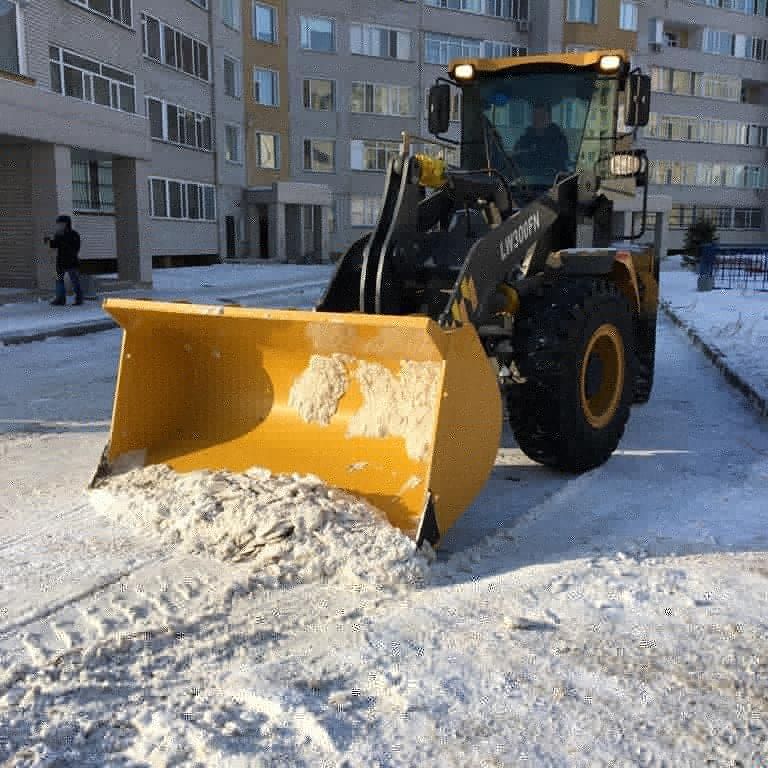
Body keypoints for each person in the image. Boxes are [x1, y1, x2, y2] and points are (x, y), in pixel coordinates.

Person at [513, 101, 571, 180]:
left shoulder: (559, 140)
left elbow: (561, 165)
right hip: (525, 185)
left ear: (549, 118)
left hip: (553, 185)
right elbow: (515, 162)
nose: (538, 120)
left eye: (541, 116)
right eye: (535, 116)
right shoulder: (524, 140)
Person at [46, 215, 83, 306]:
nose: (59, 225)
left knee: (75, 281)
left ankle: (79, 298)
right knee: (59, 280)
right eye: (58, 223)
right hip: (61, 262)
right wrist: (49, 241)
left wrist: (69, 252)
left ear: (66, 223)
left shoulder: (73, 234)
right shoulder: (58, 234)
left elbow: (76, 247)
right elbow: (55, 245)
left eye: (61, 223)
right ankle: (60, 299)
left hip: (71, 262)